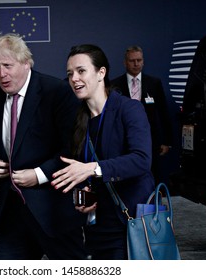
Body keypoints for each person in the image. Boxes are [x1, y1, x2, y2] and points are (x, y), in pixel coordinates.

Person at [0, 33, 87, 260]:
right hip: (11, 214)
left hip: (53, 210)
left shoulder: (56, 91)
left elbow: (72, 149)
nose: (1, 74)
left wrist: (38, 174)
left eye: (7, 65)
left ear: (26, 63)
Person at [51, 44, 155, 259]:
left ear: (101, 73)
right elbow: (77, 169)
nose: (74, 79)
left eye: (81, 71)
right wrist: (82, 197)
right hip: (96, 226)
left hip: (131, 220)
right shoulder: (77, 120)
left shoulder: (129, 109)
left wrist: (94, 169)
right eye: (70, 74)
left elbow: (141, 160)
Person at [111, 46, 173, 183]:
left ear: (143, 61)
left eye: (139, 60)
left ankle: (153, 203)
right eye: (132, 60)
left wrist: (167, 141)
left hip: (151, 141)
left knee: (153, 177)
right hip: (123, 142)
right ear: (125, 63)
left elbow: (163, 112)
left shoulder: (154, 83)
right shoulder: (114, 85)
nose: (136, 64)